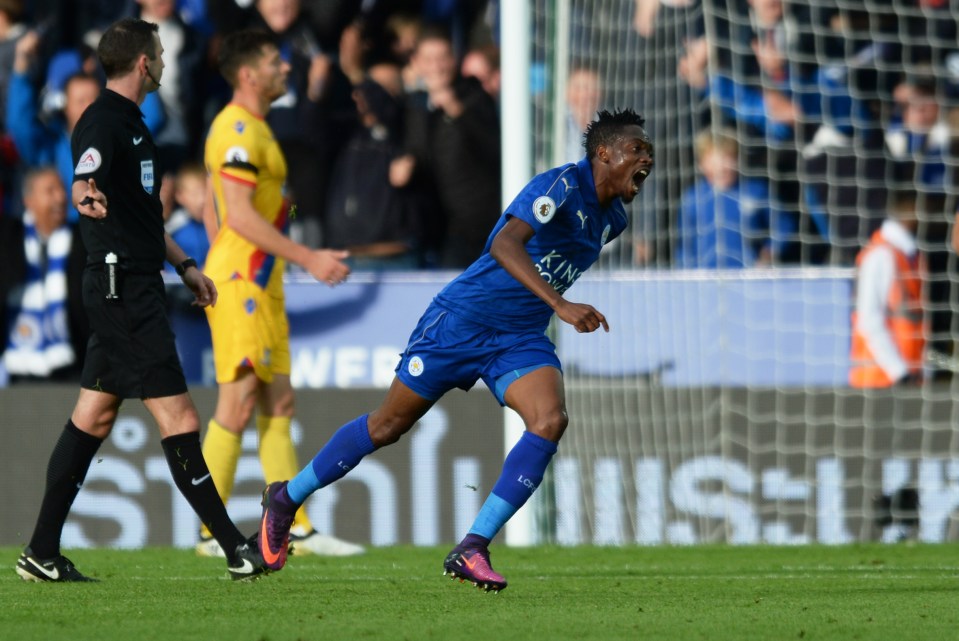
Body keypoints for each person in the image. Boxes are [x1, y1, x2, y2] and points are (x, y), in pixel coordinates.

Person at [256, 108, 654, 591]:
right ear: (603, 153)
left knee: (550, 420)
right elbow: (504, 246)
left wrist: (550, 306)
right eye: (636, 149)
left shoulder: (614, 220)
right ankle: (286, 498)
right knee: (387, 426)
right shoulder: (561, 187)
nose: (646, 158)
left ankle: (472, 547)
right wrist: (561, 304)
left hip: (520, 335)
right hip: (461, 322)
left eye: (647, 151)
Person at [14, 17, 267, 583]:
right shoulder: (102, 121)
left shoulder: (133, 123)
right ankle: (235, 550)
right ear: (145, 62)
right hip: (121, 287)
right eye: (158, 52)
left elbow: (143, 216)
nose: (164, 60)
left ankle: (41, 551)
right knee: (179, 415)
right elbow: (86, 178)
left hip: (133, 281)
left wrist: (184, 264)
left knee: (95, 414)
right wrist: (84, 195)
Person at [197, 29, 362, 559]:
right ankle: (209, 532)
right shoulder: (237, 127)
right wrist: (309, 258)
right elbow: (239, 216)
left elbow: (211, 204)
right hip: (242, 280)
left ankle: (294, 525)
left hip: (259, 280)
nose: (286, 68)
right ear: (248, 73)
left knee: (278, 399)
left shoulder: (255, 129)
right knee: (239, 402)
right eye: (275, 61)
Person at [0, 167, 87, 383]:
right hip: (17, 362)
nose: (60, 197)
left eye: (61, 189)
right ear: (29, 200)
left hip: (73, 360)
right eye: (50, 191)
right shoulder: (10, 237)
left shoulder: (82, 239)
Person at [849, 187, 925, 388]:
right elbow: (870, 319)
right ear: (911, 209)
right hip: (879, 381)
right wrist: (899, 372)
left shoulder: (909, 256)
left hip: (904, 378)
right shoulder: (881, 255)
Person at [162, 161, 209, 273]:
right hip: (175, 285)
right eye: (194, 194)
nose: (202, 200)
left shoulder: (215, 224)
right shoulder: (174, 225)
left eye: (205, 192)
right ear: (180, 196)